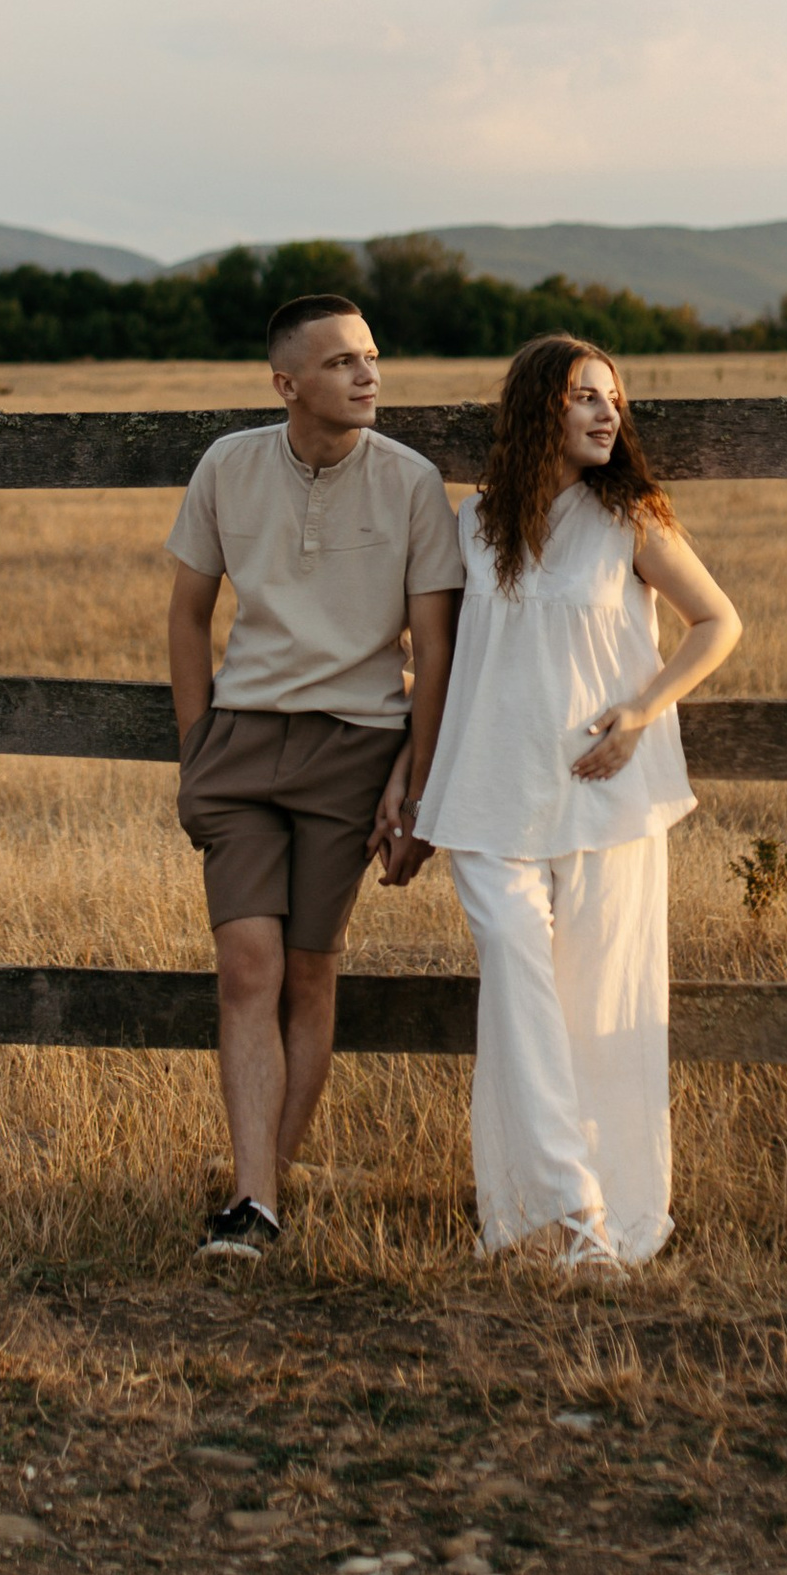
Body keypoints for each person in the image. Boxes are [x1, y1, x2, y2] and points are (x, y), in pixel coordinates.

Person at [391, 333, 740, 1267]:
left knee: (599, 1000)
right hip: (487, 791)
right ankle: (561, 1204)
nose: (605, 413)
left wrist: (642, 708)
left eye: (613, 401)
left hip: (605, 795)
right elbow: (440, 661)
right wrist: (410, 779)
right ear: (539, 404)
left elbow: (719, 622)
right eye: (586, 396)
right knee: (517, 973)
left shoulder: (630, 515)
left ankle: (609, 1219)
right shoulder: (473, 524)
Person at [165, 292, 463, 1259]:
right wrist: (196, 743)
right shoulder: (229, 465)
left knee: (307, 969)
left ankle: (257, 1198)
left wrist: (417, 781)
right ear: (287, 384)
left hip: (354, 746)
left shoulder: (414, 483)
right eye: (340, 362)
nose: (367, 374)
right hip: (243, 747)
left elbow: (434, 643)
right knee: (245, 968)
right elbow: (188, 614)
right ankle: (256, 1201)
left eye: (372, 356)